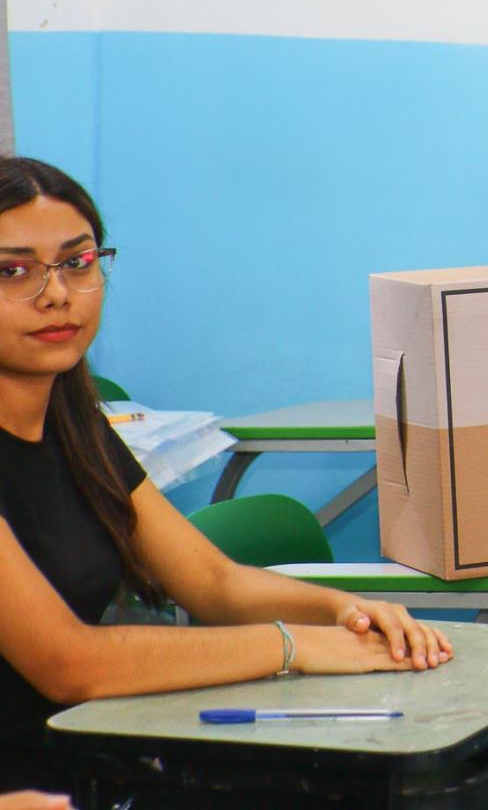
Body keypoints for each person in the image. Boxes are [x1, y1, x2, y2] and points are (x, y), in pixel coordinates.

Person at [0, 157, 453, 795]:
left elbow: (213, 583)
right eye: (13, 271)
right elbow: (70, 663)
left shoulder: (75, 426)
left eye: (78, 262)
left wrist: (343, 611)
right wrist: (294, 645)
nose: (56, 294)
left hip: (80, 764)